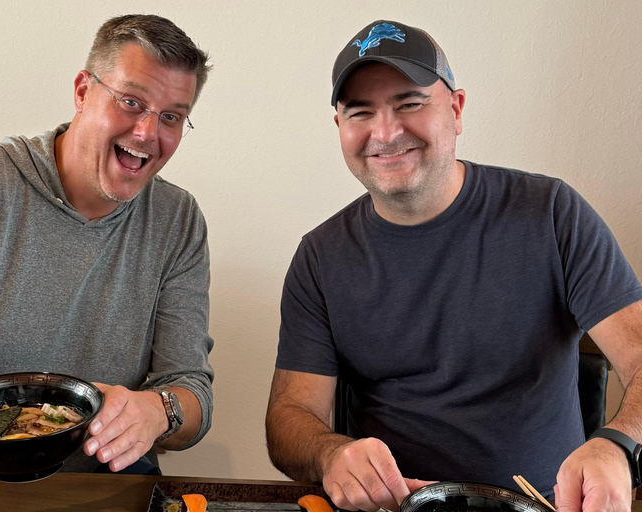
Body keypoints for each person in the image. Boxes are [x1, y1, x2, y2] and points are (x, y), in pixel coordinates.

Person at [265, 19, 642, 512]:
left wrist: (619, 444)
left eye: (410, 103)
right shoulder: (319, 256)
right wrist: (329, 452)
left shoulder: (551, 213)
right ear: (340, 127)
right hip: (396, 507)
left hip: (548, 504)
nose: (386, 132)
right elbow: (289, 417)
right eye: (361, 112)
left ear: (457, 109)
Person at [0, 14, 214, 475]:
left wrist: (160, 411)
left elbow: (191, 392)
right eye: (131, 102)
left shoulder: (178, 220)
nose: (148, 133)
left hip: (101, 477)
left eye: (172, 116)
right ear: (82, 91)